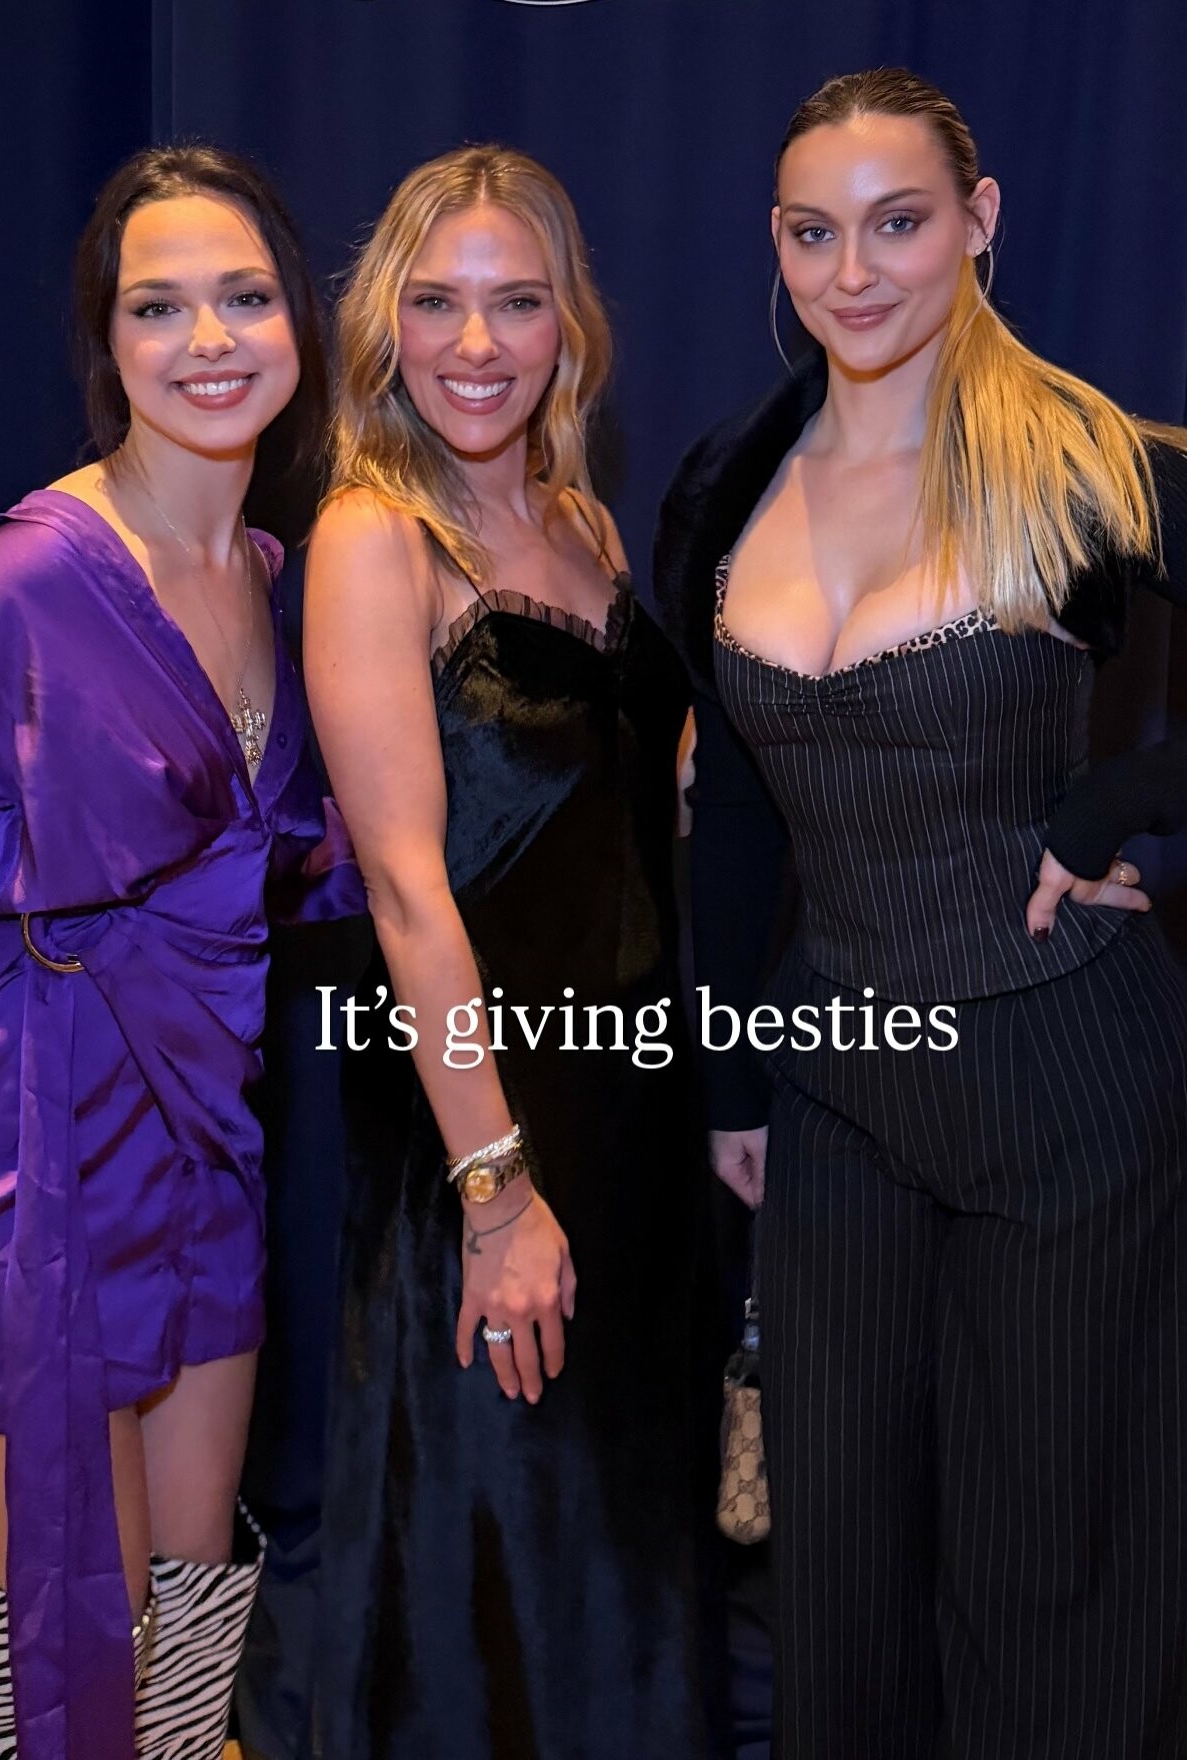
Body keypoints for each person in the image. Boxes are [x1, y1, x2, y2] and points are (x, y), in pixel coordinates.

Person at [655, 67, 1187, 1760]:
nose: (855, 271)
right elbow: (736, 815)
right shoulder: (726, 483)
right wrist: (734, 1078)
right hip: (836, 1085)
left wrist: (1121, 808)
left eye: (898, 223)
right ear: (776, 243)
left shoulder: (1087, 463)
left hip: (1065, 1077)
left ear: (979, 220)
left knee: (1055, 1569)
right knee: (839, 1568)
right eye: (815, 233)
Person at [0, 144, 361, 1760]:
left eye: (245, 297)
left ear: (300, 326)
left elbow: (276, 870)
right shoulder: (23, 581)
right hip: (19, 1157)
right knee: (88, 1641)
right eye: (159, 307)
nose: (208, 340)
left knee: (194, 1622)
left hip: (200, 1143)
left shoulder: (268, 574)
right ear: (108, 339)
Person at [304, 145, 724, 1760]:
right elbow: (405, 889)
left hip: (636, 1117)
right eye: (436, 303)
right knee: (505, 1580)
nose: (475, 345)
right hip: (485, 1129)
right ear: (385, 327)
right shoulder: (375, 537)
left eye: (517, 303)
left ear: (571, 326)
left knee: (628, 1565)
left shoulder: (586, 523)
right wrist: (496, 1192)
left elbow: (645, 824)